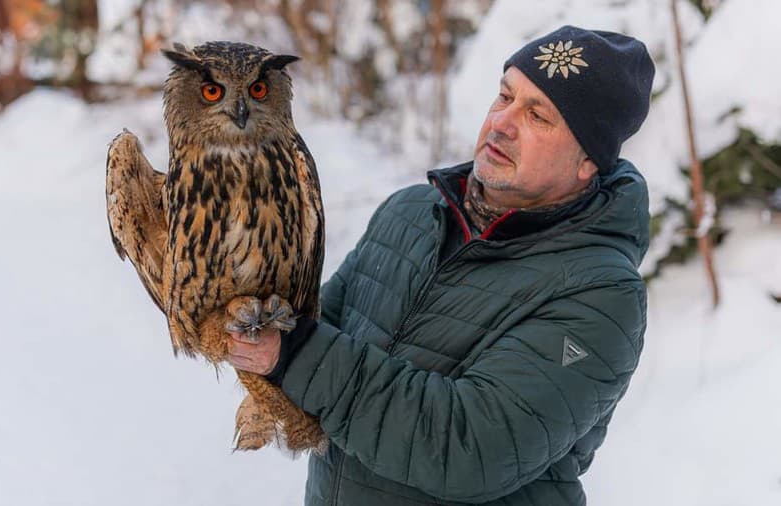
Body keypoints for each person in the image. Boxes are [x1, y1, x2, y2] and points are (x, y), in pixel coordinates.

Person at [227, 25, 655, 505]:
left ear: (587, 162)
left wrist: (293, 353)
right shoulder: (410, 212)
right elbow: (315, 323)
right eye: (505, 96)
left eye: (538, 116)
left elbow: (470, 448)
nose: (502, 124)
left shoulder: (599, 293)